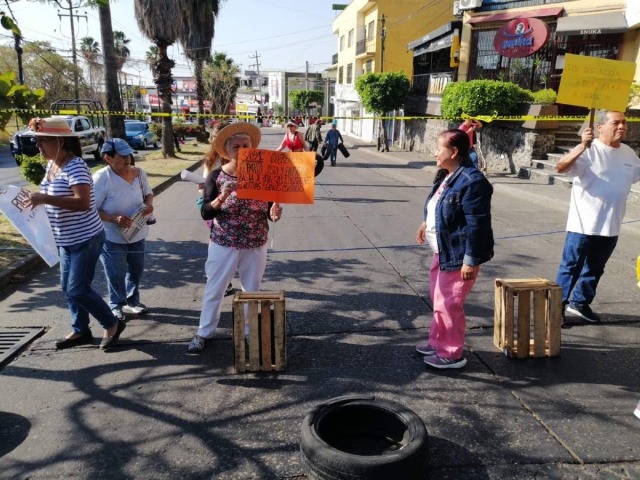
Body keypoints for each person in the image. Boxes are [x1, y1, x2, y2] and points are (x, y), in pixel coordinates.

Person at [23, 117, 125, 350]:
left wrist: (45, 198)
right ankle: (81, 330)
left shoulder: (75, 165)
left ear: (59, 141)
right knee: (68, 287)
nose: (38, 147)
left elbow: (82, 203)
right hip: (66, 239)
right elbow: (51, 195)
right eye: (37, 142)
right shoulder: (52, 165)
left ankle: (112, 324)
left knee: (77, 288)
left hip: (85, 238)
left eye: (43, 142)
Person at [188, 122, 283, 353]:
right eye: (236, 147)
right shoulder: (216, 176)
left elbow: (270, 209)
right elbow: (206, 212)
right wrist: (223, 195)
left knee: (252, 289)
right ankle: (204, 332)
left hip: (255, 242)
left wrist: (274, 213)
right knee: (215, 288)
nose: (241, 150)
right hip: (224, 242)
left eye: (245, 145)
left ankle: (249, 332)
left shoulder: (262, 174)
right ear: (227, 151)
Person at [415, 129, 494, 369]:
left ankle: (451, 354)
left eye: (439, 148)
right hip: (442, 251)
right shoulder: (448, 175)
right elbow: (438, 205)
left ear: (454, 151)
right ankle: (437, 341)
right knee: (438, 300)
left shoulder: (472, 181)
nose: (435, 152)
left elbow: (476, 225)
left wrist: (470, 260)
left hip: (458, 256)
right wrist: (425, 223)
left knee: (449, 304)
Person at [555, 110, 640, 324]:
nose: (622, 127)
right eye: (616, 123)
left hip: (611, 224)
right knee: (570, 267)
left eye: (624, 123)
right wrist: (582, 146)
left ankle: (580, 303)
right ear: (600, 127)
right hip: (583, 224)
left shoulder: (629, 153)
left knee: (595, 268)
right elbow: (560, 167)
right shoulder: (589, 149)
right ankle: (556, 308)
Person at [93, 138, 154, 321]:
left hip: (137, 231)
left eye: (128, 155)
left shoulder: (139, 173)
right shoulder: (101, 178)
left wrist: (149, 204)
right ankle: (116, 305)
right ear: (108, 158)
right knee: (115, 272)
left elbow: (148, 193)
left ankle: (132, 301)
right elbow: (91, 208)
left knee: (136, 270)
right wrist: (113, 218)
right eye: (122, 156)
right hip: (112, 235)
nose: (127, 159)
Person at [200, 122, 233, 296]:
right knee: (217, 238)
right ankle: (219, 279)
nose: (214, 141)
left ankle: (226, 277)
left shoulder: (234, 158)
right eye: (213, 137)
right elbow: (204, 185)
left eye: (218, 138)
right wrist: (204, 188)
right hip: (212, 202)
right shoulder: (210, 160)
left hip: (232, 205)